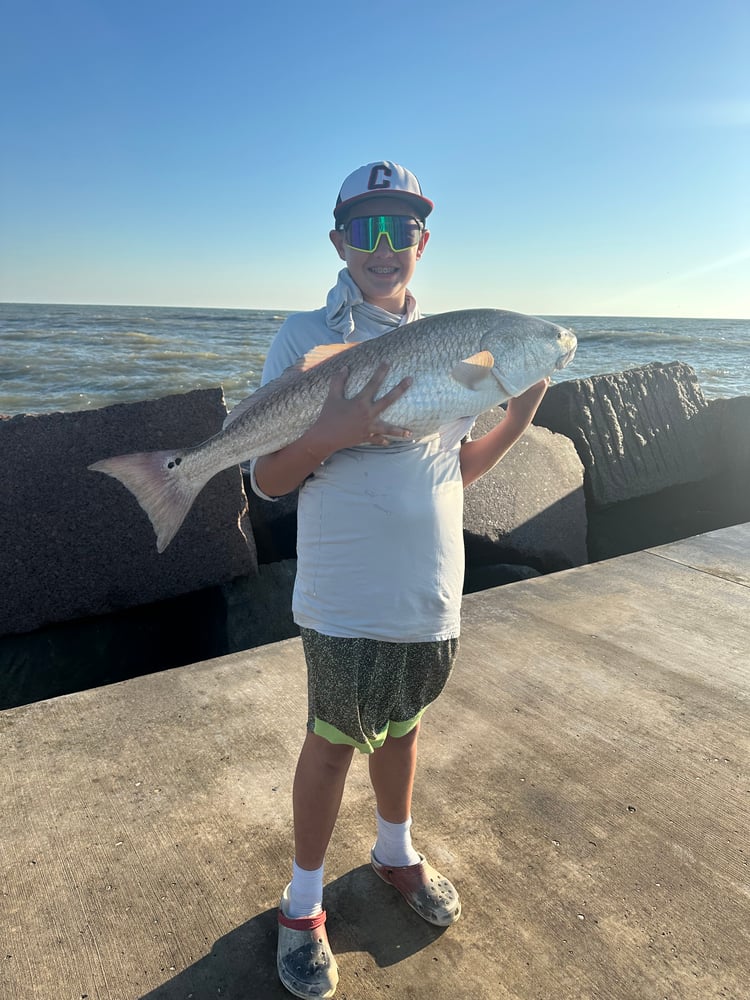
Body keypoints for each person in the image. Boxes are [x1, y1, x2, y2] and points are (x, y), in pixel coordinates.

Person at [249, 160, 548, 999]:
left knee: (405, 729)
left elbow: (458, 468)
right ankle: (301, 905)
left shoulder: (458, 344)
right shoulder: (305, 336)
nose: (385, 246)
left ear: (423, 239)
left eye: (401, 229)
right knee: (333, 742)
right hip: (346, 595)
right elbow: (269, 481)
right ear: (340, 238)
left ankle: (393, 855)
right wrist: (332, 431)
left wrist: (519, 413)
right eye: (367, 228)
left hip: (430, 590)